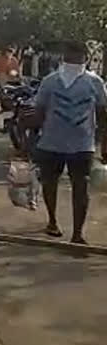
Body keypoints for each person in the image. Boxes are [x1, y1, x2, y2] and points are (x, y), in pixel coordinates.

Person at [30, 40, 107, 244]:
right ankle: (53, 221)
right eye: (70, 53)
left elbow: (102, 114)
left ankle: (77, 233)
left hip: (82, 145)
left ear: (84, 57)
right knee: (51, 183)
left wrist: (104, 142)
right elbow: (39, 111)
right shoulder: (51, 81)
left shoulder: (94, 82)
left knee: (80, 187)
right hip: (52, 142)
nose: (73, 58)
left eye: (77, 54)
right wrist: (32, 138)